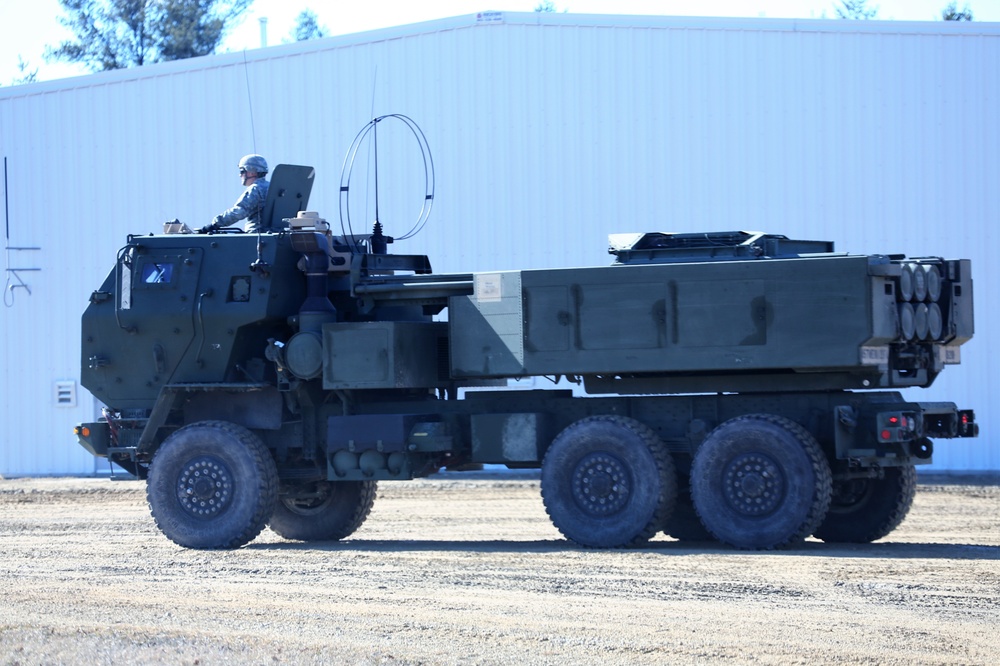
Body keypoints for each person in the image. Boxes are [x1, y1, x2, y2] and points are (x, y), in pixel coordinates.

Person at [200, 154, 270, 233]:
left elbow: (239, 212)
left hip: (256, 237)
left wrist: (214, 224)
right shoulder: (271, 187)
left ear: (252, 172)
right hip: (275, 236)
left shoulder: (255, 189)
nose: (240, 175)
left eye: (242, 171)